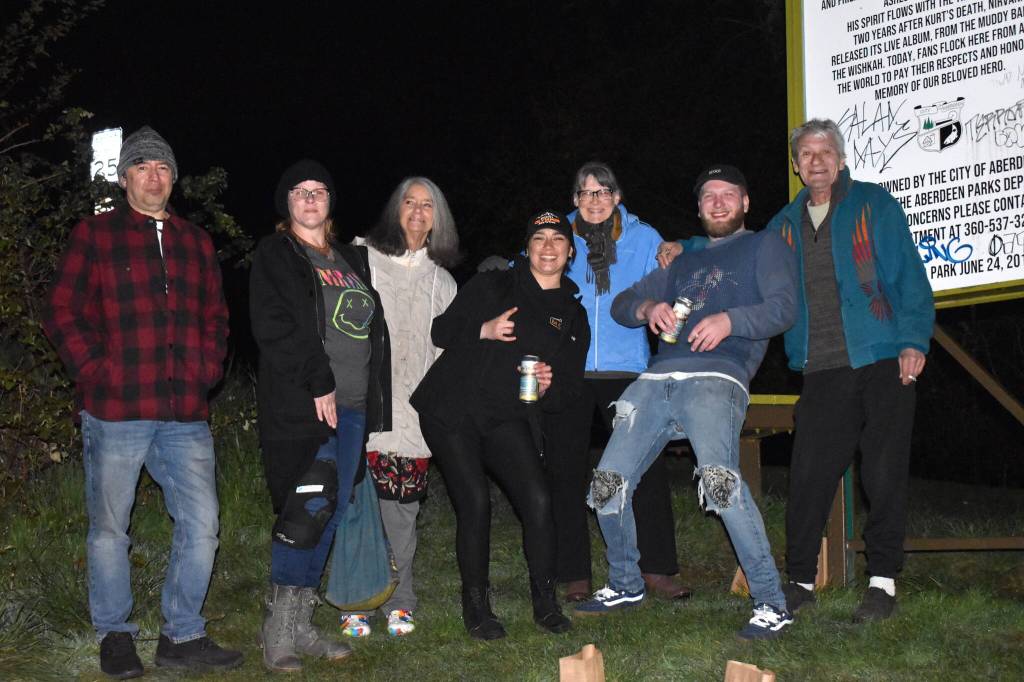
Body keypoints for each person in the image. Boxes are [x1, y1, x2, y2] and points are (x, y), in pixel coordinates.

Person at [660, 121, 934, 622]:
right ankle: (801, 580)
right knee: (809, 474)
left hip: (882, 355)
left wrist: (914, 340)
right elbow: (739, 249)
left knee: (883, 469)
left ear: (841, 159)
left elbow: (909, 275)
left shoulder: (874, 204)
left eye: (825, 151)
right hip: (822, 365)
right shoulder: (784, 225)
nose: (816, 161)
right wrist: (687, 247)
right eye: (806, 154)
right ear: (796, 165)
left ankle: (882, 583)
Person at [43, 126, 242, 678]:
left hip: (184, 412)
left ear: (172, 179)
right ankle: (114, 634)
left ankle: (183, 634)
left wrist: (206, 369)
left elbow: (216, 318)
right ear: (125, 176)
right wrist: (95, 371)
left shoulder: (195, 241)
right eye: (142, 168)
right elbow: (60, 310)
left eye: (162, 169)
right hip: (116, 410)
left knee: (202, 524)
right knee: (111, 528)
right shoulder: (96, 235)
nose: (153, 177)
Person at [575, 165, 798, 641]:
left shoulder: (765, 246)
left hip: (717, 378)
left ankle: (771, 602)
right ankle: (626, 583)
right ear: (699, 208)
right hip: (654, 381)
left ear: (745, 203)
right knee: (605, 485)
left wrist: (729, 321)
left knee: (719, 483)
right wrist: (647, 308)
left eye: (728, 195)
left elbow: (784, 308)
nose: (718, 203)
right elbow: (621, 305)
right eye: (709, 196)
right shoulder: (680, 262)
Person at [411, 211, 589, 640]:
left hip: (505, 415)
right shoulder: (493, 284)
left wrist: (547, 387)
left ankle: (545, 603)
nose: (548, 247)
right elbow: (441, 331)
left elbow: (567, 390)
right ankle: (477, 607)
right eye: (539, 238)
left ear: (569, 252)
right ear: (527, 247)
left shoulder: (571, 317)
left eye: (557, 240)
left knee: (539, 500)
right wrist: (483, 329)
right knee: (475, 502)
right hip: (451, 407)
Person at [249, 159, 391, 672]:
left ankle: (303, 624)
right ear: (287, 203)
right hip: (305, 404)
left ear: (330, 203)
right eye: (300, 191)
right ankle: (278, 630)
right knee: (303, 513)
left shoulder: (351, 258)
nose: (310, 198)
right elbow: (276, 325)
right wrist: (319, 379)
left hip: (351, 407)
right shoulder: (277, 254)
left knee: (329, 511)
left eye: (320, 191)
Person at [550, 162, 688, 602]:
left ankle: (658, 569)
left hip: (627, 368)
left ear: (617, 197)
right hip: (569, 369)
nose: (595, 200)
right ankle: (573, 572)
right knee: (566, 470)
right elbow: (526, 272)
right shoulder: (556, 236)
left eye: (604, 192)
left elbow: (673, 278)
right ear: (575, 199)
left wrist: (679, 252)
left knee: (644, 468)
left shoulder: (643, 237)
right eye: (586, 193)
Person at [339, 177, 458, 638]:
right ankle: (355, 601)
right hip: (363, 407)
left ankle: (401, 600)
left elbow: (449, 355)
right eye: (409, 202)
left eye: (428, 205)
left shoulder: (443, 283)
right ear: (396, 210)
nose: (417, 211)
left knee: (402, 512)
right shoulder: (362, 261)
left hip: (414, 416)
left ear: (437, 219)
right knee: (357, 507)